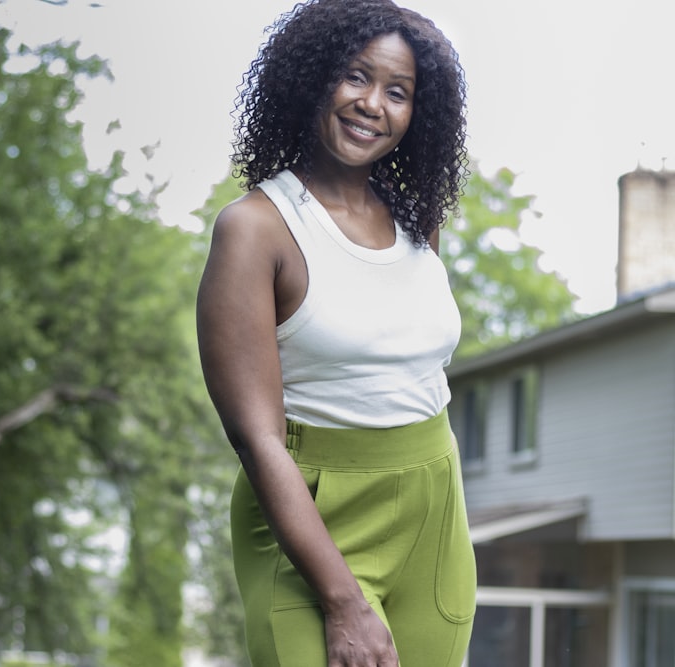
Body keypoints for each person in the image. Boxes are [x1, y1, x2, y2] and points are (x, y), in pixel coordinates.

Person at [195, 1, 475, 665]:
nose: (372, 104)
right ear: (313, 77)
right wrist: (343, 599)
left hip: (433, 509)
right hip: (311, 516)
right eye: (355, 77)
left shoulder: (418, 222)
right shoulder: (256, 230)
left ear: (417, 114)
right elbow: (256, 437)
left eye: (398, 91)